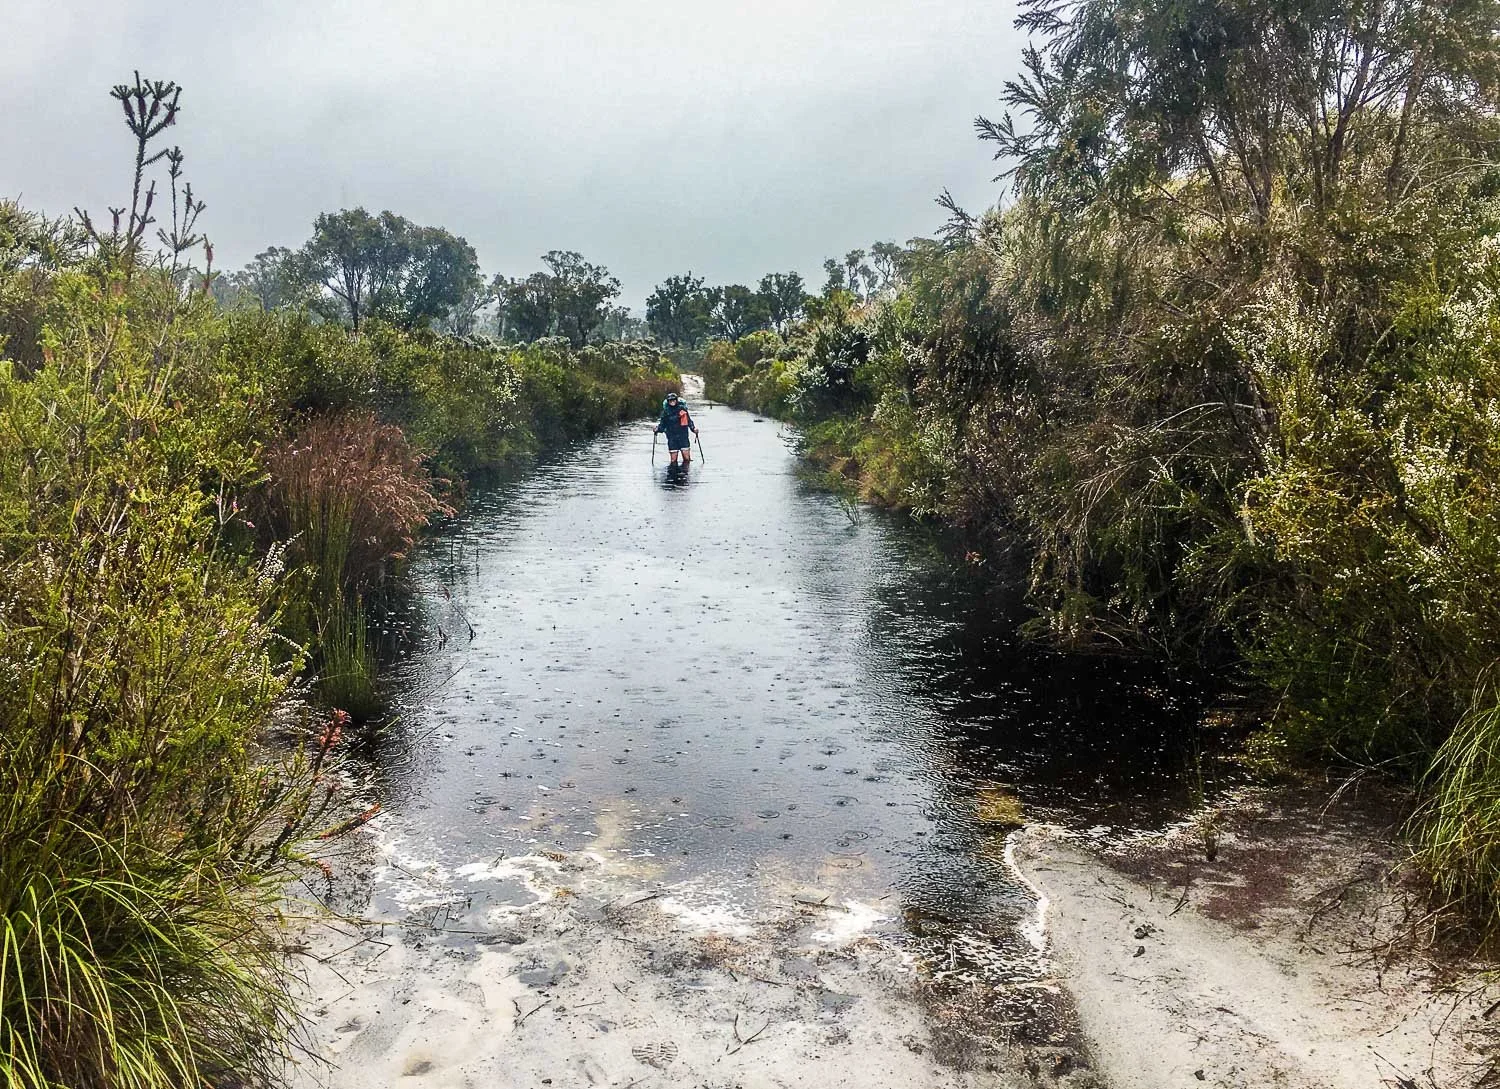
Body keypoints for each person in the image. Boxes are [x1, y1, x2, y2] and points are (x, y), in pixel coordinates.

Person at [653, 391, 699, 465]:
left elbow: (689, 421)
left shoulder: (682, 409)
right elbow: (662, 425)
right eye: (670, 400)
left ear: (676, 400)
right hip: (672, 437)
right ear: (668, 401)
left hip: (683, 436)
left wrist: (693, 429)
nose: (672, 402)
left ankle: (685, 475)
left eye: (673, 400)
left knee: (687, 459)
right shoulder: (665, 412)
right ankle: (673, 475)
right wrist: (657, 429)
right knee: (673, 461)